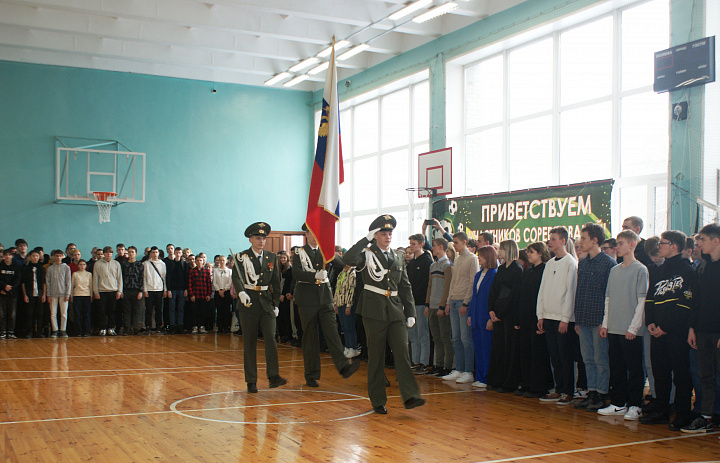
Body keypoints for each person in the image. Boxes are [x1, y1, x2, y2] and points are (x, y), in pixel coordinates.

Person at [343, 214, 424, 414]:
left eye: (389, 233)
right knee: (377, 357)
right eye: (383, 233)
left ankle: (411, 396)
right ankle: (378, 400)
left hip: (395, 310)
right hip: (374, 310)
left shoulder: (397, 256)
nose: (388, 236)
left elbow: (405, 286)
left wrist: (410, 311)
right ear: (375, 235)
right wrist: (365, 240)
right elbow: (348, 258)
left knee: (402, 354)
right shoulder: (366, 254)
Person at [639, 230, 695, 431]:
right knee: (660, 373)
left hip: (677, 333)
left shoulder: (688, 271)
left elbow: (685, 304)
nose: (659, 247)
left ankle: (682, 414)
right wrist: (651, 322)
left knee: (680, 375)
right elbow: (650, 299)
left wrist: (666, 327)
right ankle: (661, 410)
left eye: (662, 243)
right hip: (657, 331)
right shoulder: (658, 270)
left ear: (674, 246)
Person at [292, 223, 359, 387]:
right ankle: (311, 374)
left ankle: (343, 366)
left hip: (325, 298)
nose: (315, 236)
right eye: (312, 232)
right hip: (307, 300)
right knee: (310, 337)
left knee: (332, 332)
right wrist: (314, 275)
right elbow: (296, 273)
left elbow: (341, 262)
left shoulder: (325, 250)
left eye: (318, 232)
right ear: (306, 234)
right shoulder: (299, 252)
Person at [598, 229, 648, 420]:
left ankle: (635, 404)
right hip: (614, 327)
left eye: (621, 243)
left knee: (634, 368)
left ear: (632, 245)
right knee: (617, 366)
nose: (617, 247)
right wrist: (605, 324)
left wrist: (633, 328)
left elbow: (641, 301)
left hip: (630, 330)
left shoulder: (640, 269)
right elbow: (608, 299)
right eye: (617, 244)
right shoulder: (614, 270)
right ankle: (618, 402)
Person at [231, 222, 287, 393]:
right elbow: (237, 277)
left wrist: (276, 304)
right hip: (249, 303)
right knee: (250, 343)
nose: (261, 241)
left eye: (263, 238)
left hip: (266, 304)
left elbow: (276, 283)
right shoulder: (241, 257)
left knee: (271, 338)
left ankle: (273, 376)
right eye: (258, 238)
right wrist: (241, 293)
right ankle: (251, 380)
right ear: (250, 239)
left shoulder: (271, 257)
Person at [573, 223, 617, 411]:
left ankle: (601, 393)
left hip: (598, 319)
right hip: (583, 318)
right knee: (587, 358)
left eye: (584, 239)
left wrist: (605, 321)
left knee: (600, 359)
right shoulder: (582, 262)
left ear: (595, 240)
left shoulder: (608, 264)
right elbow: (579, 291)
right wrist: (576, 318)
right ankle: (591, 391)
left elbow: (609, 295)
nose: (580, 243)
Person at [683, 223, 720, 433]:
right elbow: (696, 300)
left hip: (718, 331)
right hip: (703, 330)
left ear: (716, 241)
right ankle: (706, 417)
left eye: (703, 240)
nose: (699, 246)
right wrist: (692, 328)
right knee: (705, 376)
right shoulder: (703, 267)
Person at [536, 226, 578, 405]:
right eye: (550, 239)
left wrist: (565, 318)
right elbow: (543, 290)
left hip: (562, 318)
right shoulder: (550, 263)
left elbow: (571, 292)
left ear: (563, 240)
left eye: (553, 239)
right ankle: (558, 388)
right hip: (549, 316)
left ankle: (568, 391)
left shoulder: (571, 263)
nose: (550, 242)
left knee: (565, 356)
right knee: (554, 355)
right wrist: (541, 314)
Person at [442, 232, 480, 384]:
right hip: (454, 300)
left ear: (464, 242)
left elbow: (472, 282)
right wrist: (448, 301)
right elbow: (453, 281)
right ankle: (459, 368)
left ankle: (468, 371)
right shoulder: (457, 259)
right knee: (455, 337)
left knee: (465, 338)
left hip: (464, 301)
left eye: (456, 242)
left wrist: (466, 302)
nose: (454, 245)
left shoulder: (472, 258)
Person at [486, 239, 524, 393]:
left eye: (501, 249)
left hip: (509, 314)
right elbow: (494, 291)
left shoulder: (517, 269)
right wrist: (491, 310)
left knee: (510, 348)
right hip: (498, 312)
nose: (499, 252)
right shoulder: (501, 269)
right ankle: (497, 379)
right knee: (498, 348)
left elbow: (515, 295)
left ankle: (509, 382)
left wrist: (501, 312)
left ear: (508, 250)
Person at [516, 242, 553, 398]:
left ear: (540, 253)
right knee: (525, 352)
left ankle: (539, 386)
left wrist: (541, 317)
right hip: (525, 317)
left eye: (532, 252)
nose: (529, 254)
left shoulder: (545, 270)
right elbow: (522, 296)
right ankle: (526, 383)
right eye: (528, 252)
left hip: (536, 317)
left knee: (538, 353)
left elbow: (543, 295)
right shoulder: (528, 271)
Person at [467, 245, 498, 388]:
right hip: (476, 315)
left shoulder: (494, 274)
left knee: (487, 348)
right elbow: (475, 296)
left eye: (481, 255)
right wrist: (470, 314)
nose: (479, 258)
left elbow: (491, 299)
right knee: (478, 347)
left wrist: (489, 319)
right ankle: (479, 376)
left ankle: (486, 377)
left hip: (485, 316)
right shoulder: (478, 275)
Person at [425, 237, 454, 377]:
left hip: (441, 306)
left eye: (435, 246)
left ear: (442, 247)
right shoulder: (433, 265)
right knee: (436, 337)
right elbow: (430, 286)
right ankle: (438, 364)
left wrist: (442, 306)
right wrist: (427, 304)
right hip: (432, 305)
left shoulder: (447, 265)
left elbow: (447, 287)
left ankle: (447, 366)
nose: (433, 248)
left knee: (445, 337)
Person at [406, 233, 433, 374]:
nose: (411, 246)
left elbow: (427, 284)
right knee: (413, 334)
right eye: (410, 244)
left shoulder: (426, 261)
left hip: (422, 302)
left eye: (414, 244)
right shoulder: (412, 263)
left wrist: (427, 303)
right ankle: (415, 361)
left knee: (423, 333)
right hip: (412, 303)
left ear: (421, 244)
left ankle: (423, 362)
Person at [92, 246, 123, 336]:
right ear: (104, 254)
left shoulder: (116, 264)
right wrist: (96, 291)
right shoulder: (97, 264)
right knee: (102, 311)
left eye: (110, 252)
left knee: (112, 311)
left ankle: (111, 328)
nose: (108, 254)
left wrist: (119, 291)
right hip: (102, 291)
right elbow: (95, 278)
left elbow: (119, 278)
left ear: (112, 254)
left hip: (113, 290)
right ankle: (102, 328)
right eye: (106, 252)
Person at [334, 265, 359, 358]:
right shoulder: (341, 273)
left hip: (347, 304)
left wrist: (348, 305)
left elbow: (351, 290)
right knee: (344, 327)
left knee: (350, 327)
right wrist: (335, 303)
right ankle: (347, 347)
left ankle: (353, 347)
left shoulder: (352, 273)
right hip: (340, 303)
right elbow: (337, 289)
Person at [46, 249, 72, 338]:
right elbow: (48, 282)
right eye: (56, 256)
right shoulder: (50, 268)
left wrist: (67, 294)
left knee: (63, 313)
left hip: (63, 294)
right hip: (53, 294)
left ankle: (63, 330)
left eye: (60, 256)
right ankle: (55, 330)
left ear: (62, 256)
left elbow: (68, 282)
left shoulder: (66, 268)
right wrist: (48, 294)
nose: (58, 257)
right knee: (53, 313)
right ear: (53, 257)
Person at [21, 250, 46, 338]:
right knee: (29, 314)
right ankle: (29, 332)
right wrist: (25, 295)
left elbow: (43, 283)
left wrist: (43, 294)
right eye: (33, 256)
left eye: (36, 256)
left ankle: (39, 332)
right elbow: (23, 283)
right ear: (30, 257)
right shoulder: (26, 269)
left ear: (39, 257)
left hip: (39, 293)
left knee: (39, 314)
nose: (35, 257)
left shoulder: (42, 269)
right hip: (29, 293)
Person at [143, 246, 167, 334]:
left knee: (158, 309)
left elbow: (164, 277)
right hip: (149, 289)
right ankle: (148, 326)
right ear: (150, 254)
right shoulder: (146, 264)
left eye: (156, 252)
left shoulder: (162, 264)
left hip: (159, 289)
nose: (155, 254)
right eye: (153, 252)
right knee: (148, 309)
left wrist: (165, 289)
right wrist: (145, 290)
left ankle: (158, 326)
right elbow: (144, 278)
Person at [121, 246, 144, 335]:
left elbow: (141, 278)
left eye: (132, 252)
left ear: (136, 253)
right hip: (126, 290)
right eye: (129, 252)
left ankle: (135, 328)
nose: (131, 254)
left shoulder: (139, 264)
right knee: (127, 311)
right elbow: (121, 278)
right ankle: (127, 328)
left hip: (136, 290)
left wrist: (140, 291)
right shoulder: (124, 264)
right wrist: (121, 291)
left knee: (136, 310)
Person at [0, 249, 22, 339]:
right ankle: (2, 332)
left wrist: (10, 288)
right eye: (6, 255)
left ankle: (10, 331)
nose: (8, 257)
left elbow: (18, 280)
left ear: (12, 256)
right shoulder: (0, 266)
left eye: (9, 255)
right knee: (2, 313)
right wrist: (3, 287)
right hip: (1, 293)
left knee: (12, 314)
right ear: (3, 256)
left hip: (12, 294)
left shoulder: (16, 267)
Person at [166, 246, 188, 334]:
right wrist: (168, 290)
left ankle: (180, 325)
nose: (178, 254)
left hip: (182, 289)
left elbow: (186, 278)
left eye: (179, 253)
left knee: (181, 308)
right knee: (172, 308)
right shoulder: (170, 264)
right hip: (172, 289)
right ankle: (172, 326)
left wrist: (186, 289)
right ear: (174, 253)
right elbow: (168, 277)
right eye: (176, 252)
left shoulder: (184, 264)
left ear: (181, 253)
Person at [71, 259, 93, 337]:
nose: (82, 266)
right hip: (77, 295)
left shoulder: (89, 274)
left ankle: (86, 331)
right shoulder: (75, 274)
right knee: (77, 314)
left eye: (84, 264)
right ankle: (78, 331)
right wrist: (71, 296)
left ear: (86, 266)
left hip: (86, 295)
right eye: (80, 264)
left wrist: (91, 296)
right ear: (78, 266)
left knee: (86, 314)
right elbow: (72, 285)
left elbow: (91, 286)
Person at [277, 251, 295, 343]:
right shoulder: (278, 269)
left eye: (284, 258)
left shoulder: (290, 269)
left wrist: (284, 294)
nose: (283, 260)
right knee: (279, 316)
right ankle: (282, 334)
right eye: (281, 258)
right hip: (278, 295)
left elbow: (288, 284)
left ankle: (287, 335)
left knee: (286, 316)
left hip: (286, 296)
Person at [212, 255, 234, 333]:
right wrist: (219, 291)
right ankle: (220, 327)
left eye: (223, 260)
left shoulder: (229, 271)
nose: (221, 262)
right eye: (220, 260)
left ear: (226, 261)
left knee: (226, 310)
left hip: (226, 292)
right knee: (219, 310)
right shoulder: (215, 270)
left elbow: (229, 282)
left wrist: (224, 290)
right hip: (218, 292)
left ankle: (226, 326)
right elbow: (214, 282)